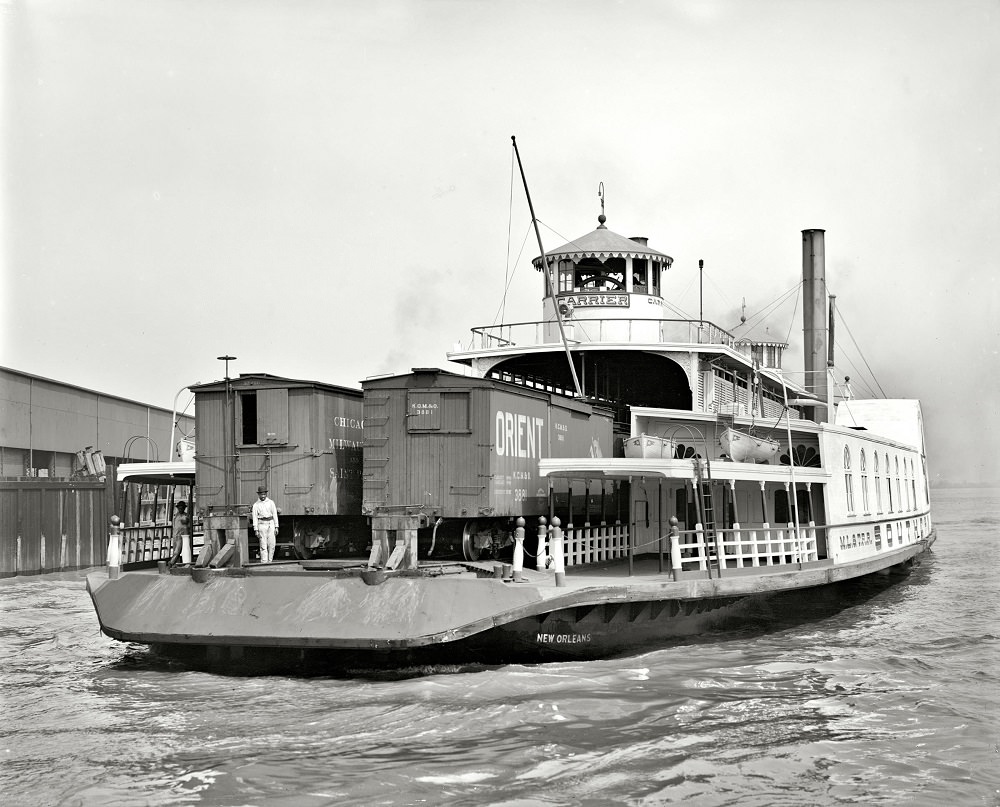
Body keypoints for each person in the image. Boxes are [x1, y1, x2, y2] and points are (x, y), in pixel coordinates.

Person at [251, 485, 279, 563]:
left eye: (264, 494)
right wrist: (256, 529)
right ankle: (264, 561)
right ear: (258, 495)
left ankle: (270, 561)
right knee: (263, 545)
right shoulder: (256, 505)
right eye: (261, 494)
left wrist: (276, 526)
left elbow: (275, 515)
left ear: (266, 494)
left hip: (271, 524)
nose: (263, 496)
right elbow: (255, 517)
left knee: (272, 544)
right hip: (261, 524)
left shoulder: (271, 503)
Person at [168, 501, 190, 566]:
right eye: (179, 508)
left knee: (177, 550)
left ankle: (171, 562)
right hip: (175, 535)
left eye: (182, 508)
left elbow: (186, 522)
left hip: (182, 535)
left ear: (184, 508)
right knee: (175, 549)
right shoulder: (175, 516)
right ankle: (175, 563)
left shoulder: (185, 516)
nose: (180, 509)